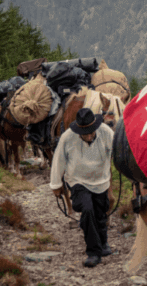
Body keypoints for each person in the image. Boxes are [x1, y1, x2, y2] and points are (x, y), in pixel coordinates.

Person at [50, 108, 115, 268]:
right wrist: (56, 184)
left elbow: (117, 153)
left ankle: (103, 242)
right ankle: (93, 252)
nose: (88, 135)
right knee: (87, 210)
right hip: (77, 180)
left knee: (100, 212)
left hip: (101, 180)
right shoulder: (67, 137)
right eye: (84, 133)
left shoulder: (106, 133)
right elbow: (58, 160)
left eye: (91, 132)